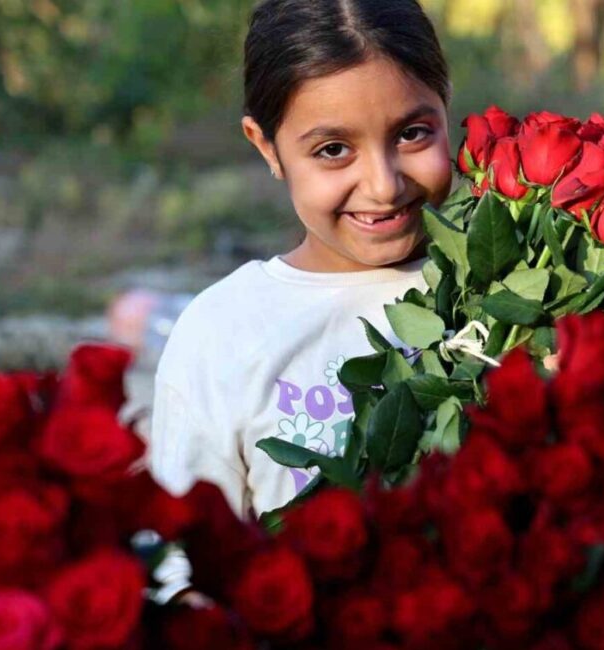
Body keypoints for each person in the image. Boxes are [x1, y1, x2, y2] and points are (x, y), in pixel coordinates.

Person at [148, 0, 454, 522]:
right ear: (267, 147)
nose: (384, 186)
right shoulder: (223, 333)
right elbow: (187, 560)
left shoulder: (521, 282)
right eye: (334, 149)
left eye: (412, 134)